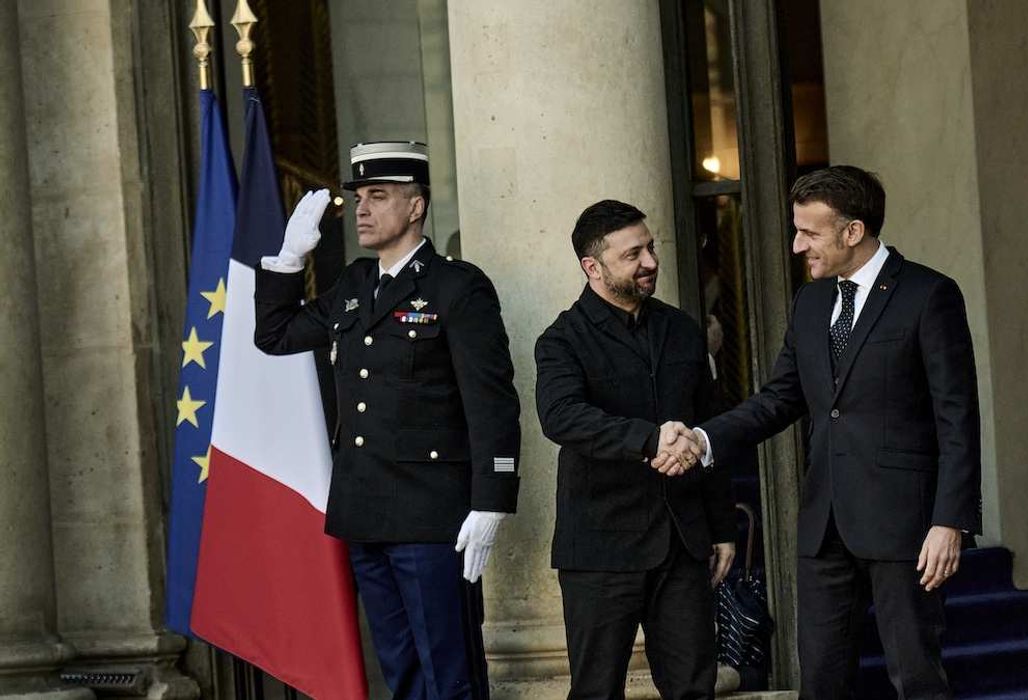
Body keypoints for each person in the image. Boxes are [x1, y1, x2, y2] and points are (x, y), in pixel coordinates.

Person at [663, 166, 982, 700]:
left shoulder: (929, 295)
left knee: (917, 678)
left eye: (809, 233)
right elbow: (778, 399)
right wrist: (702, 438)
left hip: (906, 523)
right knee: (821, 681)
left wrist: (949, 520)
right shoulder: (811, 303)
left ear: (852, 231)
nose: (795, 245)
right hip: (824, 524)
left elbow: (957, 417)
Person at [253, 141, 521, 700]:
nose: (363, 209)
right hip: (364, 512)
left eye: (378, 196)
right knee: (401, 673)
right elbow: (274, 336)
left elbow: (491, 400)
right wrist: (287, 260)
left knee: (449, 675)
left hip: (430, 514)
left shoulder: (456, 287)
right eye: (358, 198)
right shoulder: (354, 285)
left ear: (416, 205)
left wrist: (492, 499)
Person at [534, 199, 737, 700]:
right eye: (633, 254)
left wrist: (723, 527)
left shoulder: (682, 330)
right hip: (600, 550)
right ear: (593, 267)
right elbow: (562, 417)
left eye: (650, 247)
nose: (649, 261)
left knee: (695, 688)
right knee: (597, 692)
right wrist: (650, 441)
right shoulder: (561, 340)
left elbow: (708, 428)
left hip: (683, 543)